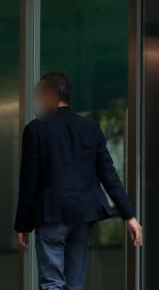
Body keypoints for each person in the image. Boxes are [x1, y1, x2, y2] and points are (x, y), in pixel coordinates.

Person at [15, 72, 143, 290]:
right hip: (82, 214)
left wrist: (22, 224)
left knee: (51, 282)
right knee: (74, 285)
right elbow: (108, 174)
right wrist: (129, 215)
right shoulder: (90, 128)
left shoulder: (36, 129)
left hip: (50, 213)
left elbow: (29, 181)